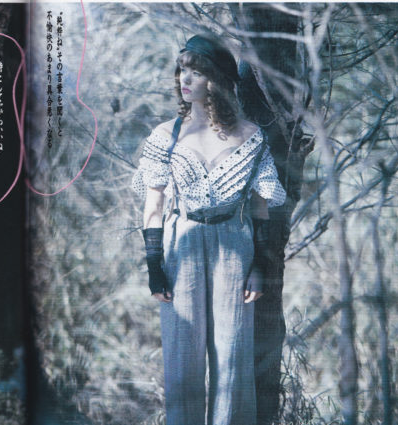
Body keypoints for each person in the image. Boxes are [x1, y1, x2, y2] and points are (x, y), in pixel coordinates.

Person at [131, 35, 286, 425]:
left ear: (216, 80)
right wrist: (154, 265)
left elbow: (260, 207)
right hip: (181, 243)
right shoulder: (166, 135)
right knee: (181, 355)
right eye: (182, 70)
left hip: (234, 242)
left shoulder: (251, 136)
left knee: (232, 354)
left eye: (196, 72)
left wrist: (260, 265)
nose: (185, 79)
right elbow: (153, 206)